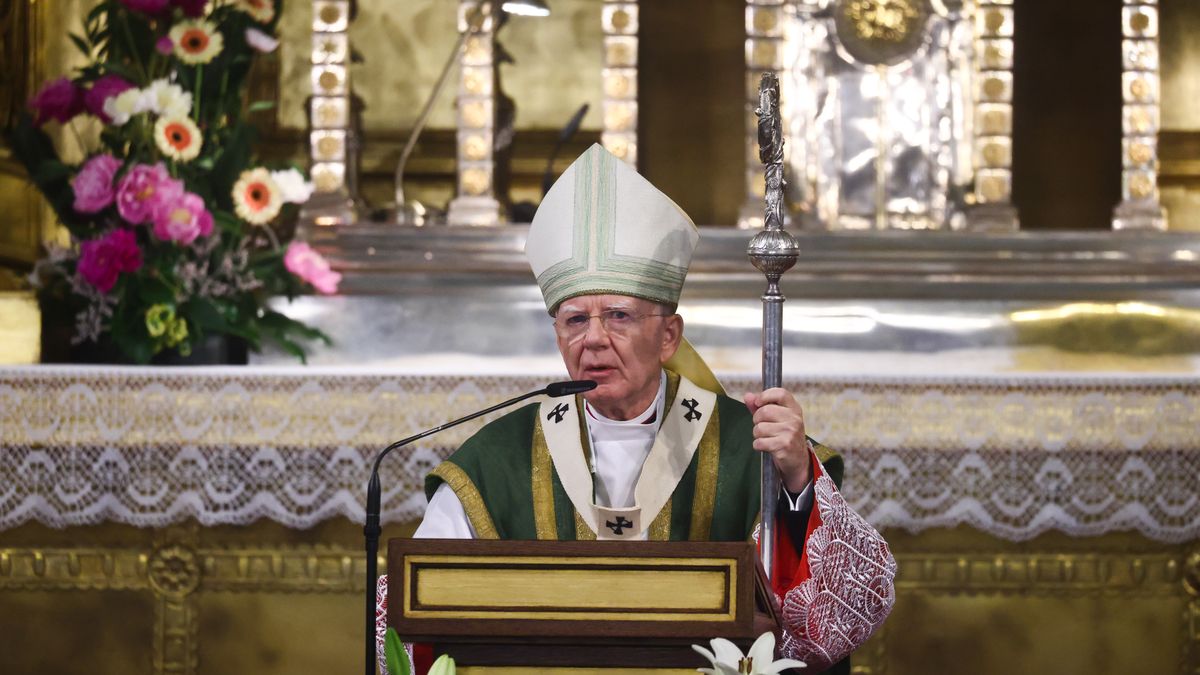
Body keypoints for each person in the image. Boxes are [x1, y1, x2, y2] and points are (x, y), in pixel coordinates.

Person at [409, 144, 895, 673]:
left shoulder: (745, 446)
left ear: (668, 336)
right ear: (556, 335)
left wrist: (798, 476)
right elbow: (415, 623)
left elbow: (835, 619)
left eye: (618, 316)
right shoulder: (496, 460)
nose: (593, 340)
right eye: (575, 321)